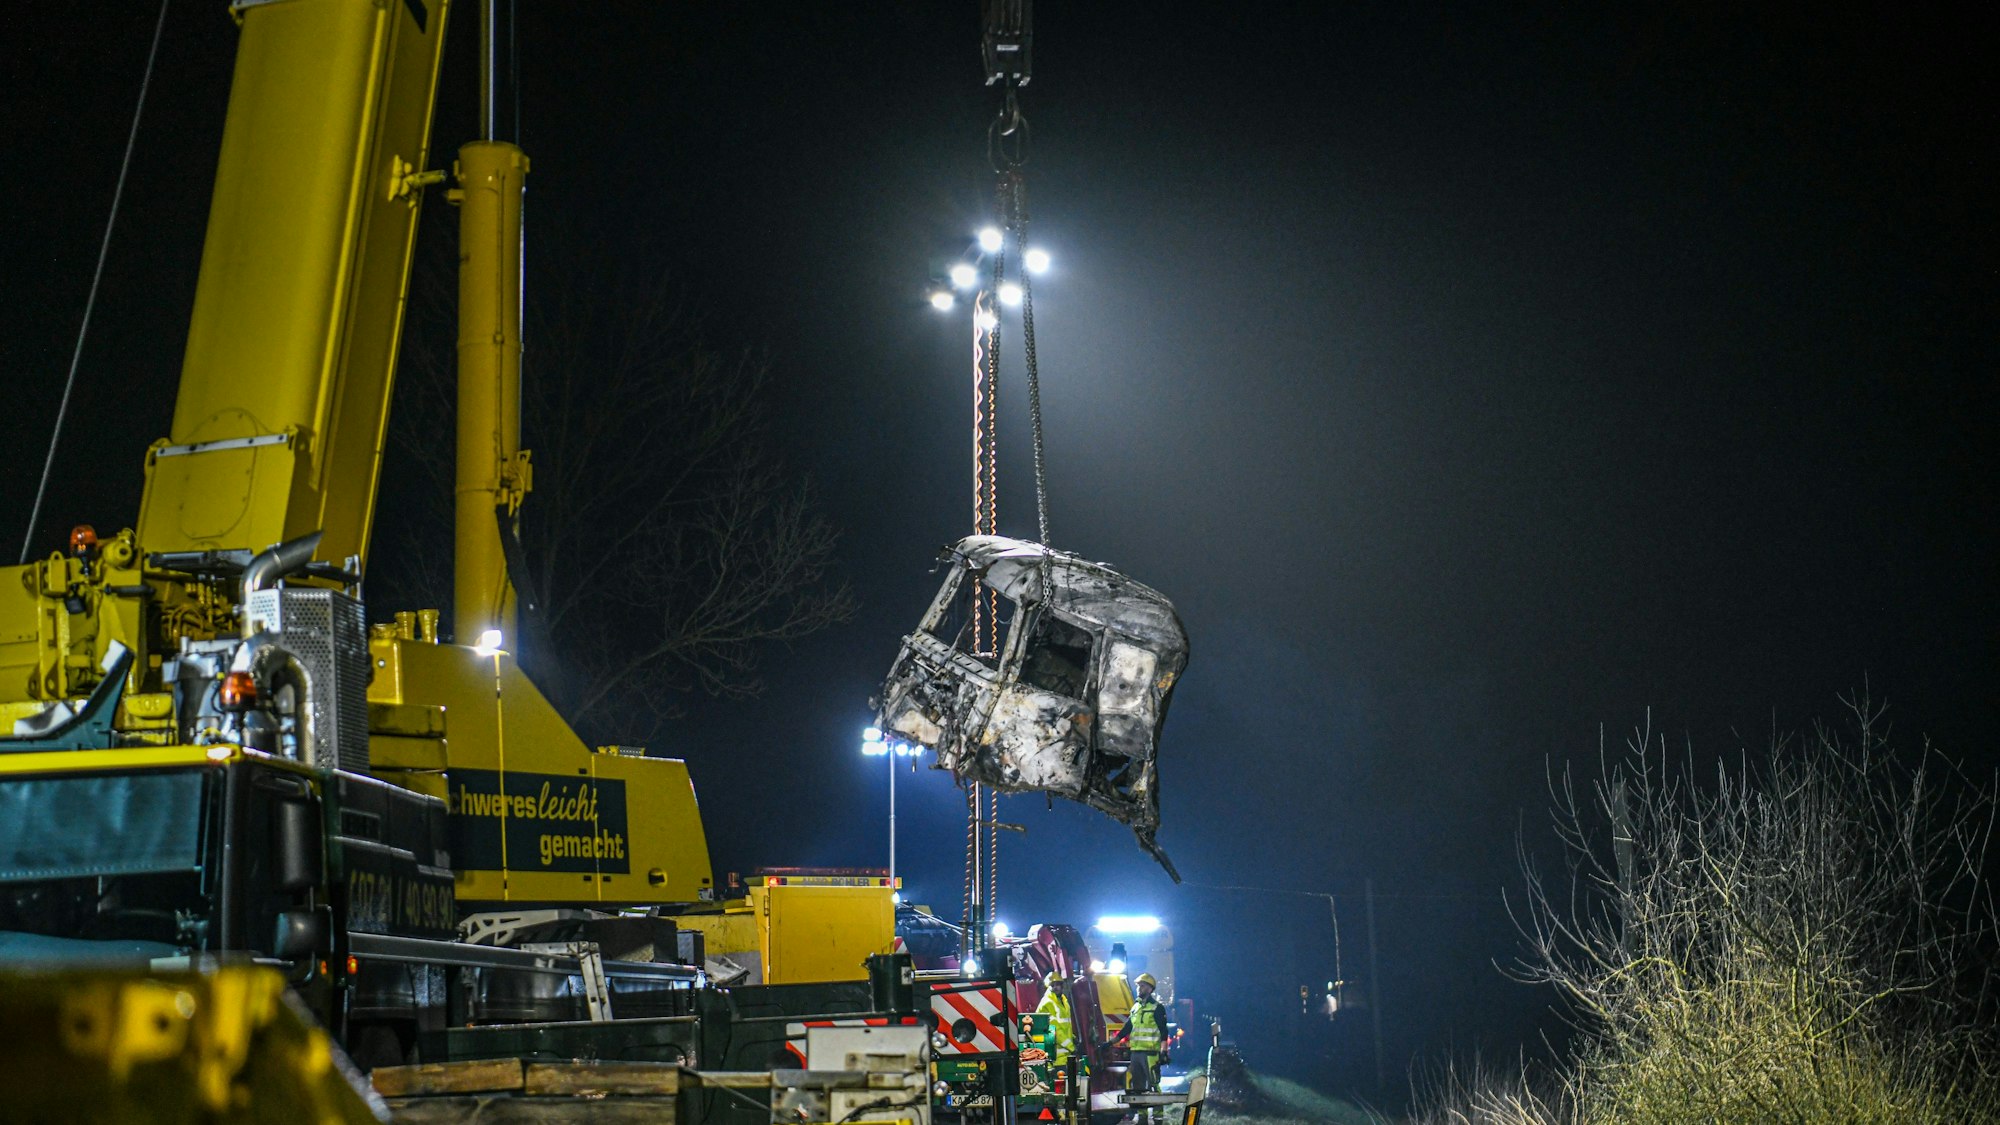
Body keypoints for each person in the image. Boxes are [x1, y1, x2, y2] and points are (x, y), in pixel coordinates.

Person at [1107, 973, 1170, 1122]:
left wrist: (1163, 1051)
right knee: (1139, 1087)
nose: (1139, 988)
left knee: (1154, 1086)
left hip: (1150, 1053)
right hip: (1135, 1053)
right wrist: (1110, 1043)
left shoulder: (1157, 1008)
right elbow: (1126, 1029)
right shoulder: (1135, 1007)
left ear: (1150, 989)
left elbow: (1163, 1031)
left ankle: (1158, 1118)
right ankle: (1142, 1117)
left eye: (1142, 986)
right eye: (1138, 986)